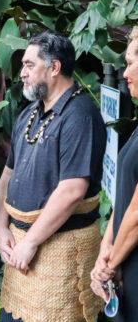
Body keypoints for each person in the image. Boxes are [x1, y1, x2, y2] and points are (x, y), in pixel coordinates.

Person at [0, 31, 107, 322]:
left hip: (60, 252)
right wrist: (0, 225)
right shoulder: (29, 113)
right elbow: (9, 173)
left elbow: (72, 190)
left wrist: (30, 243)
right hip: (19, 246)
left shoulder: (80, 114)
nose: (22, 73)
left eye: (29, 65)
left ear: (54, 67)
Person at [91, 26, 138, 321]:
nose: (125, 71)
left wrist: (109, 264)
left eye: (132, 61)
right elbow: (126, 197)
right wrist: (106, 247)